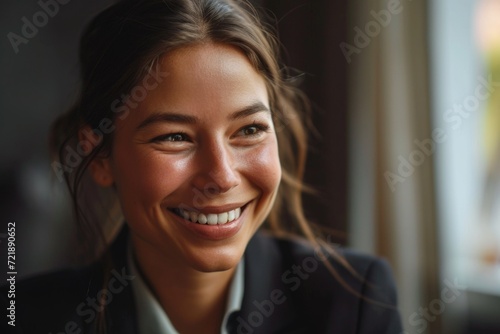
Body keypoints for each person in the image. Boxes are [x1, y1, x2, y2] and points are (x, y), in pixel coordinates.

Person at [1, 0, 403, 333]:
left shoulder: (355, 302)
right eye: (175, 137)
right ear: (101, 156)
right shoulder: (27, 317)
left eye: (249, 129)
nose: (222, 176)